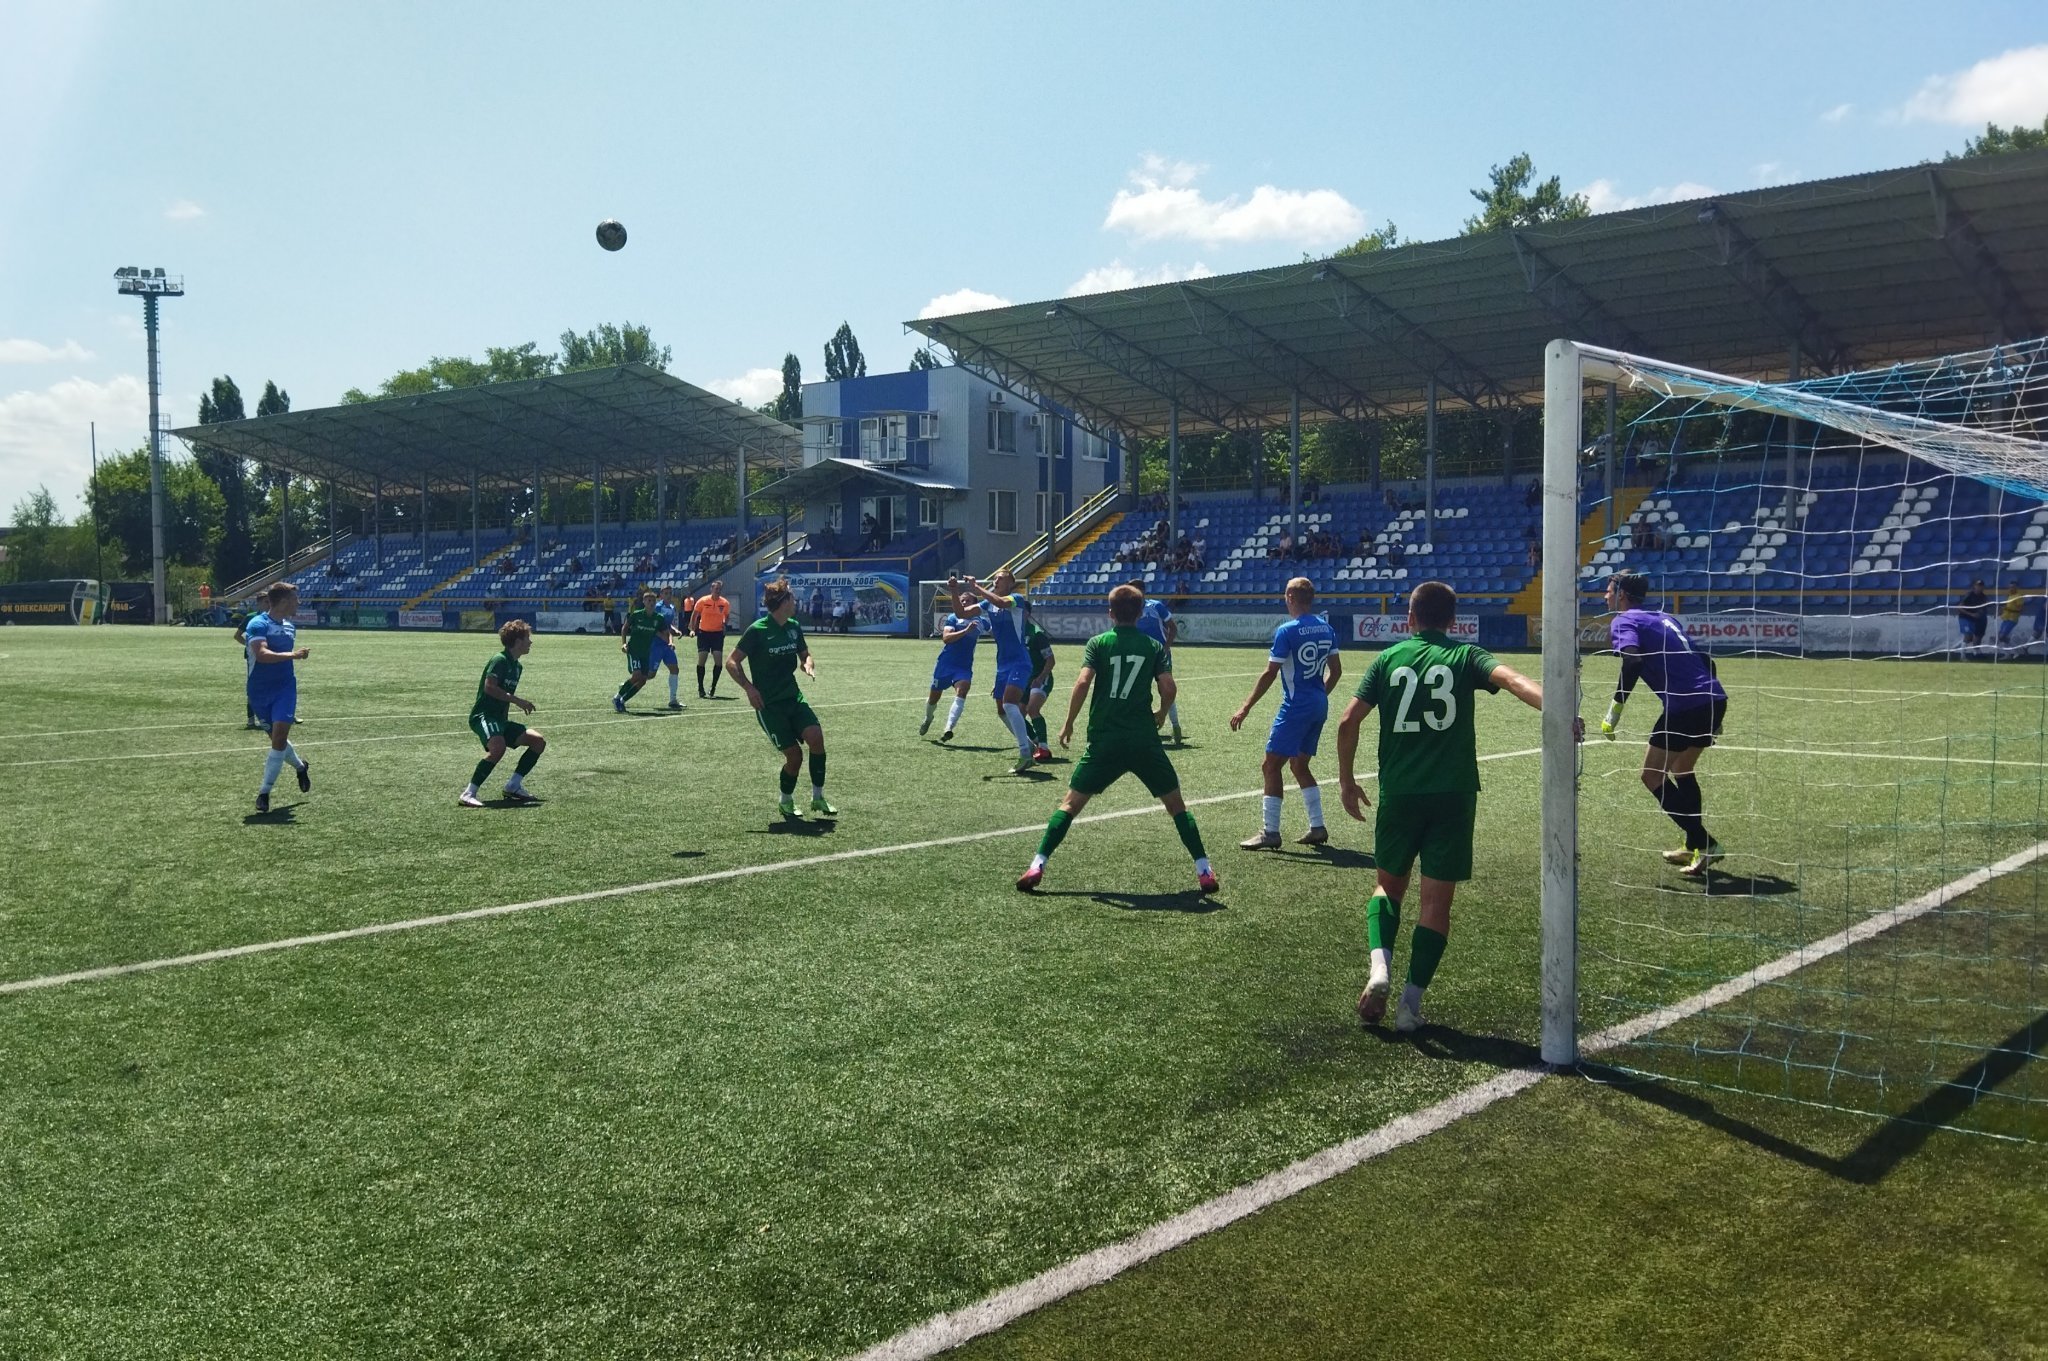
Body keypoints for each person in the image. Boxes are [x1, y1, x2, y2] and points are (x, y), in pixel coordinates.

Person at [1336, 580, 1546, 1032]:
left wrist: (1347, 780)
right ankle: (1409, 1006)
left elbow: (1348, 720)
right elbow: (1512, 680)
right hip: (1454, 794)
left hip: (1400, 792)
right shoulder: (1466, 655)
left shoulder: (1388, 659)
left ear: (1409, 618)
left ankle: (1379, 969)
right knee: (1436, 905)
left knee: (1387, 888)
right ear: (1454, 621)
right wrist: (1557, 708)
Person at [1017, 583, 1217, 895]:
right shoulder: (1153, 646)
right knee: (1176, 806)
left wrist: (1068, 722)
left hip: (1105, 739)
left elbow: (1083, 682)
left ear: (1110, 613)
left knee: (1070, 804)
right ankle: (1203, 870)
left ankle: (1037, 864)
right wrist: (1162, 712)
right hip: (1143, 740)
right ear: (1140, 613)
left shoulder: (1099, 642)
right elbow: (1168, 687)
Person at [1599, 571, 1730, 878]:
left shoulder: (1624, 620)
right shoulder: (1663, 617)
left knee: (1651, 776)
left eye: (1609, 590)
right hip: (1714, 698)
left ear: (1621, 595)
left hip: (1686, 705)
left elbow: (1633, 661)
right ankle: (1694, 843)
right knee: (1683, 768)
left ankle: (1705, 842)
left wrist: (1614, 712)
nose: (1605, 596)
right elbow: (1706, 660)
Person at [1229, 578, 1341, 849]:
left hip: (1296, 706)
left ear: (1290, 596)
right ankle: (1317, 826)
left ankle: (1270, 831)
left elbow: (1270, 673)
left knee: (1270, 765)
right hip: (1318, 704)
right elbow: (1336, 671)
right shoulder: (1326, 628)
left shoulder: (1287, 630)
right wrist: (1318, 696)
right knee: (1299, 765)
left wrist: (1245, 707)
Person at [728, 577, 834, 819]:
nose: (795, 602)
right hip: (769, 706)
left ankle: (818, 798)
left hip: (793, 698)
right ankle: (785, 801)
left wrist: (808, 664)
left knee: (816, 738)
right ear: (783, 601)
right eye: (792, 598)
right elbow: (732, 662)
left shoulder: (793, 627)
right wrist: (749, 688)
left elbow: (805, 655)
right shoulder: (758, 630)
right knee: (794, 757)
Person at [957, 568, 1039, 772]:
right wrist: (953, 592)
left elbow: (1001, 602)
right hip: (1002, 663)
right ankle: (1029, 744)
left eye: (1001, 578)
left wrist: (976, 587)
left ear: (1011, 583)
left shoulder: (1016, 599)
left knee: (1010, 703)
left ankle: (1025, 754)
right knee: (1002, 710)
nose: (996, 580)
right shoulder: (988, 604)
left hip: (1019, 661)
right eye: (994, 578)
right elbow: (961, 613)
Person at [243, 582, 313, 815]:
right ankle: (301, 767)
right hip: (259, 691)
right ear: (284, 601)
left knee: (280, 736)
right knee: (277, 741)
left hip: (285, 689)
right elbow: (262, 655)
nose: (298, 603)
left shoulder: (291, 627)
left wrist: (292, 657)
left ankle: (264, 793)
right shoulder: (258, 624)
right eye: (295, 599)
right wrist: (293, 655)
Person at [461, 620, 546, 807]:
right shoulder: (499, 660)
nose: (531, 642)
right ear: (518, 642)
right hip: (484, 716)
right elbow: (490, 687)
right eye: (527, 638)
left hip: (500, 719)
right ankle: (468, 793)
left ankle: (513, 786)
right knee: (498, 748)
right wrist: (518, 701)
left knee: (538, 741)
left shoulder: (517, 667)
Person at [922, 594, 987, 741]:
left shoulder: (982, 621)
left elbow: (998, 630)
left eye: (967, 601)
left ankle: (948, 728)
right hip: (945, 664)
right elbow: (946, 639)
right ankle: (928, 718)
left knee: (962, 691)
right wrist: (966, 631)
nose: (963, 603)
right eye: (962, 600)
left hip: (964, 666)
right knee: (933, 699)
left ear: (975, 605)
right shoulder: (953, 618)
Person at [1130, 580, 1183, 742]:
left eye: (1135, 590)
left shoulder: (1155, 606)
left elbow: (1173, 627)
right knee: (1139, 691)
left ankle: (1176, 726)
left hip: (1160, 656)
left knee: (1166, 690)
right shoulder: (1129, 610)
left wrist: (1166, 648)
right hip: (1141, 656)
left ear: (1143, 592)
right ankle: (1143, 726)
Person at [612, 588, 663, 712]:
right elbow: (625, 628)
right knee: (637, 675)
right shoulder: (636, 615)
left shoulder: (658, 618)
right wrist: (624, 643)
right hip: (634, 650)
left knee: (643, 680)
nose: (651, 603)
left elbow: (664, 632)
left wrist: (671, 641)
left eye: (653, 601)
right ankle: (616, 697)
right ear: (644, 602)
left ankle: (622, 701)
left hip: (645, 652)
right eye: (649, 600)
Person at [1024, 617, 1057, 762]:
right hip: (1024, 678)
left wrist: (1040, 678)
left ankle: (1043, 748)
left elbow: (1051, 660)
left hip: (1041, 677)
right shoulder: (1015, 632)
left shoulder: (1037, 634)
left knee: (1032, 709)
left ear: (1026, 613)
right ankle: (1036, 741)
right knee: (1015, 713)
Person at [649, 587, 687, 710]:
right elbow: (653, 626)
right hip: (656, 645)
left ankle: (673, 699)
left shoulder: (671, 607)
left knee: (674, 669)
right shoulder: (657, 607)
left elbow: (668, 625)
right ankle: (628, 684)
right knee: (650, 675)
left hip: (667, 646)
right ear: (661, 595)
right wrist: (664, 637)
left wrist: (676, 630)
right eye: (666, 593)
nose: (669, 595)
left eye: (670, 593)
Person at [692, 582, 733, 698]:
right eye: (716, 589)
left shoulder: (724, 603)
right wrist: (692, 628)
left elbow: (727, 616)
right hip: (704, 633)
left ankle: (713, 687)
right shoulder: (703, 601)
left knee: (718, 661)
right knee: (702, 659)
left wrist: (724, 623)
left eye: (719, 589)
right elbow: (695, 614)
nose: (718, 591)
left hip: (717, 634)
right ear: (711, 589)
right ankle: (700, 688)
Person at [232, 608, 262, 729]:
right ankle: (251, 719)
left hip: (271, 656)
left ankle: (285, 716)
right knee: (254, 686)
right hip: (254, 657)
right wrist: (249, 646)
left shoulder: (275, 616)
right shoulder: (251, 617)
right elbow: (237, 635)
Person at [1957, 579, 1991, 656]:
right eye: (1978, 586)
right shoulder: (1969, 595)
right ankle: (1962, 655)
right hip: (1965, 617)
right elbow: (1959, 607)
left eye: (1981, 586)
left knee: (1978, 635)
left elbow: (1987, 605)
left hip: (1975, 618)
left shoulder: (1983, 597)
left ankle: (1976, 653)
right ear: (1974, 586)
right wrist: (1971, 614)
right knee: (1968, 636)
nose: (1979, 587)